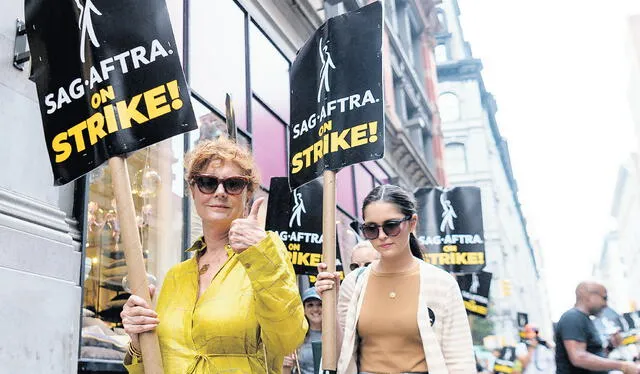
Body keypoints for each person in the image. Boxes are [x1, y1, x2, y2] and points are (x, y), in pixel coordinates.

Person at [120, 136, 308, 373]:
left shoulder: (265, 255)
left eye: (233, 184)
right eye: (208, 182)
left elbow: (288, 339)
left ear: (247, 194)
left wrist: (260, 254)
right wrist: (138, 342)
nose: (220, 192)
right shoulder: (174, 276)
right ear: (193, 190)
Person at [315, 184, 475, 373]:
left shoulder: (442, 284)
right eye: (371, 229)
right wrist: (329, 304)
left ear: (412, 223)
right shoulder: (354, 283)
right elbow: (341, 357)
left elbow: (460, 361)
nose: (382, 236)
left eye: (391, 226)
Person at [555, 281, 640, 374]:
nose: (606, 304)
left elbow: (595, 355)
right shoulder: (572, 318)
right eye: (604, 298)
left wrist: (611, 346)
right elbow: (578, 357)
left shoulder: (585, 320)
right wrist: (622, 366)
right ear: (589, 296)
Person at [283, 288, 323, 374]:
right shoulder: (297, 337)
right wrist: (285, 365)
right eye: (310, 305)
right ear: (303, 310)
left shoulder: (336, 335)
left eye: (320, 304)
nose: (315, 309)